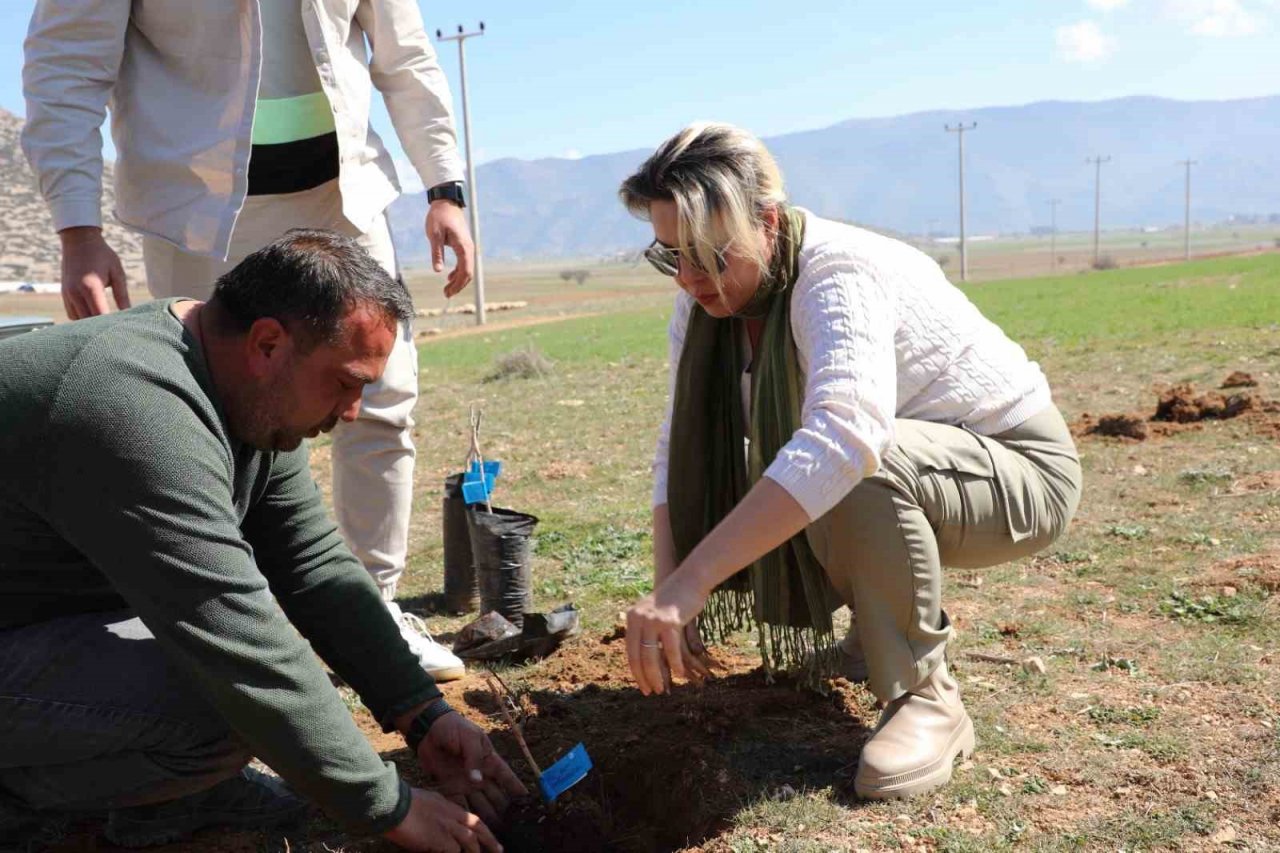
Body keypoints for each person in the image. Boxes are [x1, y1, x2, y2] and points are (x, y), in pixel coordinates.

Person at [0, 231, 524, 850]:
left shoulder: (242, 393)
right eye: (346, 383)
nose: (352, 411)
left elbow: (312, 565)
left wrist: (421, 712)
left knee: (234, 687)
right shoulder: (132, 408)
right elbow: (234, 637)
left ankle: (171, 800)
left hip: (32, 628)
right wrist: (388, 808)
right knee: (221, 701)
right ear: (268, 344)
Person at [617, 123, 1083, 800]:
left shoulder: (837, 271)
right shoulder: (702, 308)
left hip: (1019, 473)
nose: (689, 279)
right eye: (671, 257)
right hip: (927, 464)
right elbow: (675, 446)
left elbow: (849, 435)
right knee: (791, 468)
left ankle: (926, 695)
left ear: (766, 222)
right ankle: (873, 636)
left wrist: (692, 581)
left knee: (850, 462)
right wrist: (670, 587)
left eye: (708, 254)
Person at [22, 0, 472, 680]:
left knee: (378, 399)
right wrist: (78, 230)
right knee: (205, 419)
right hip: (197, 211)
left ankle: (373, 615)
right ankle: (242, 634)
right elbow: (65, 66)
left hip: (341, 195)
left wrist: (445, 186)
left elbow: (404, 52)